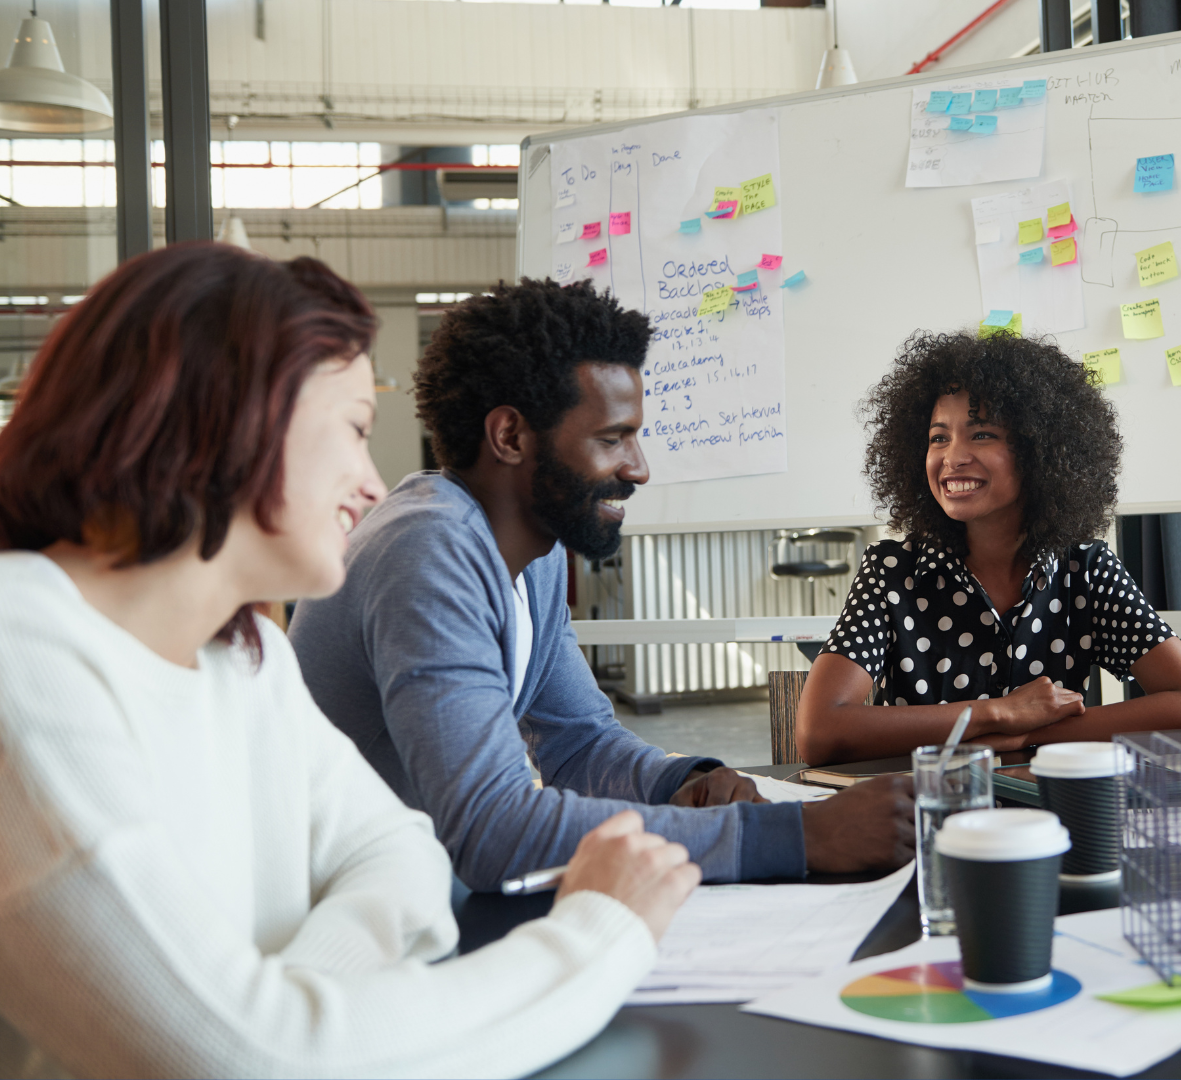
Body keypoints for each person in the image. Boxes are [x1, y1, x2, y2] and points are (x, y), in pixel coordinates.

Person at [0, 243, 698, 1076]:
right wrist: (601, 932)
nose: (372, 485)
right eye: (356, 431)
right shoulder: (25, 655)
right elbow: (251, 1057)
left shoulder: (239, 654)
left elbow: (399, 853)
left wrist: (294, 1004)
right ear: (232, 422)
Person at [289, 280, 911, 890]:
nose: (638, 468)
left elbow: (578, 743)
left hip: (411, 897)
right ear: (510, 436)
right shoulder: (429, 549)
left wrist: (683, 782)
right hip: (345, 921)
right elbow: (491, 831)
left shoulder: (535, 554)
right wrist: (799, 836)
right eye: (612, 439)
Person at [795, 330, 1181, 765]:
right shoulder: (892, 571)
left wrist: (1027, 737)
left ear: (1041, 450)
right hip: (928, 816)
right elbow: (819, 732)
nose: (953, 456)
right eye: (938, 437)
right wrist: (998, 713)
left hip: (1052, 821)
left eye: (981, 435)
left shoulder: (1084, 570)